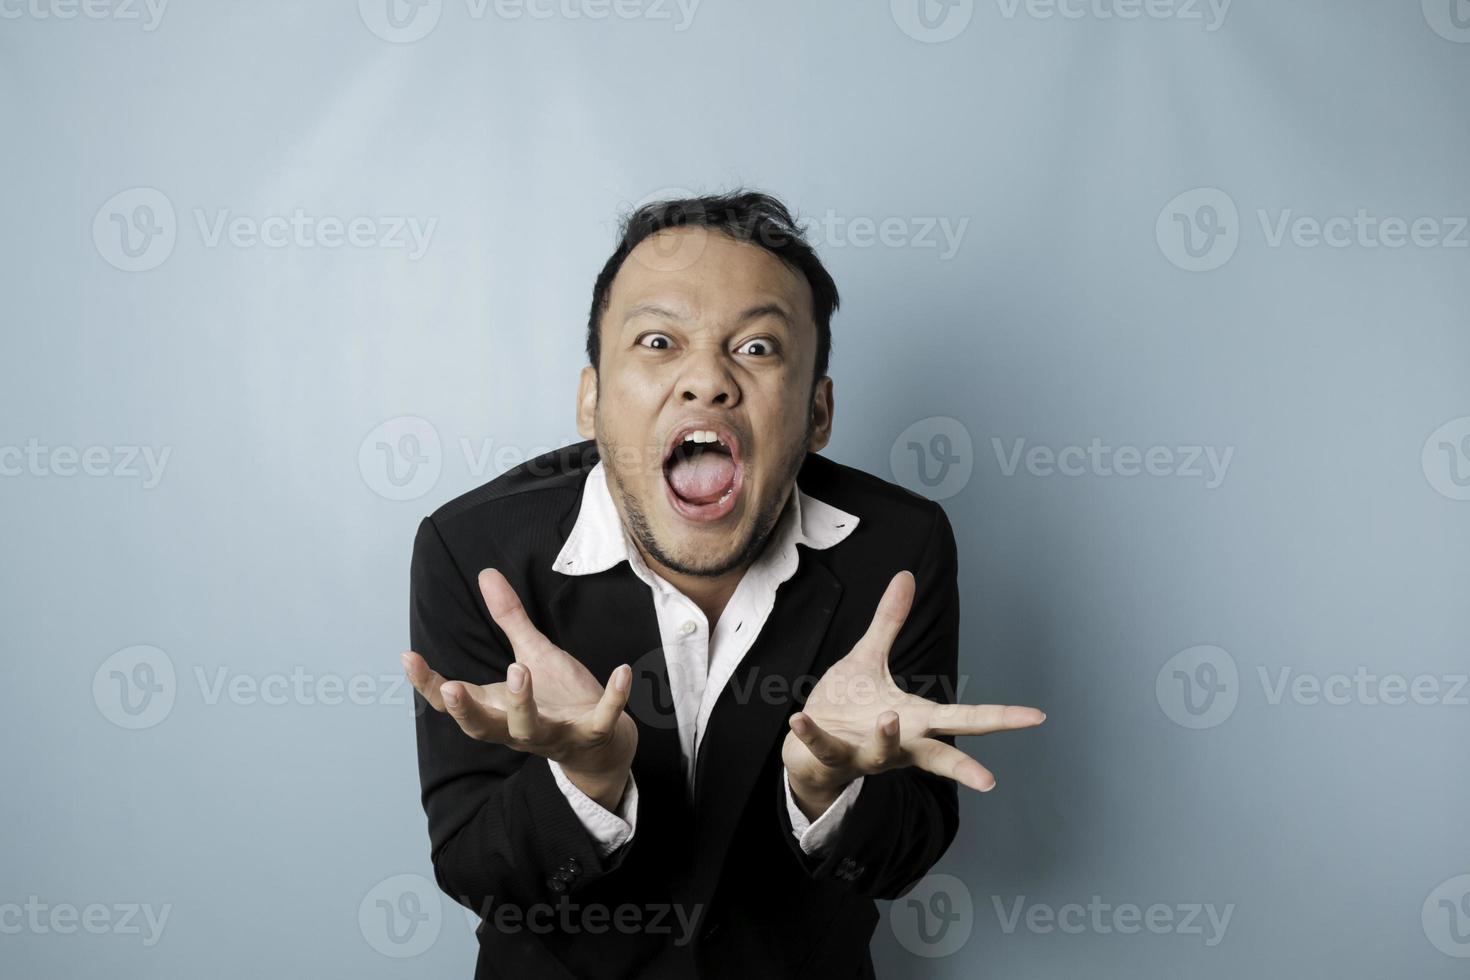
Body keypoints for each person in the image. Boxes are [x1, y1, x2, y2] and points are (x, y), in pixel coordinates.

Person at [401, 190, 1045, 979]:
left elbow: (895, 865)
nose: (706, 380)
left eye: (758, 348)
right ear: (591, 399)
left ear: (818, 413)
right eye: (660, 340)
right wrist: (588, 778)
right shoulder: (474, 552)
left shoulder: (899, 551)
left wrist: (825, 789)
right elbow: (479, 873)